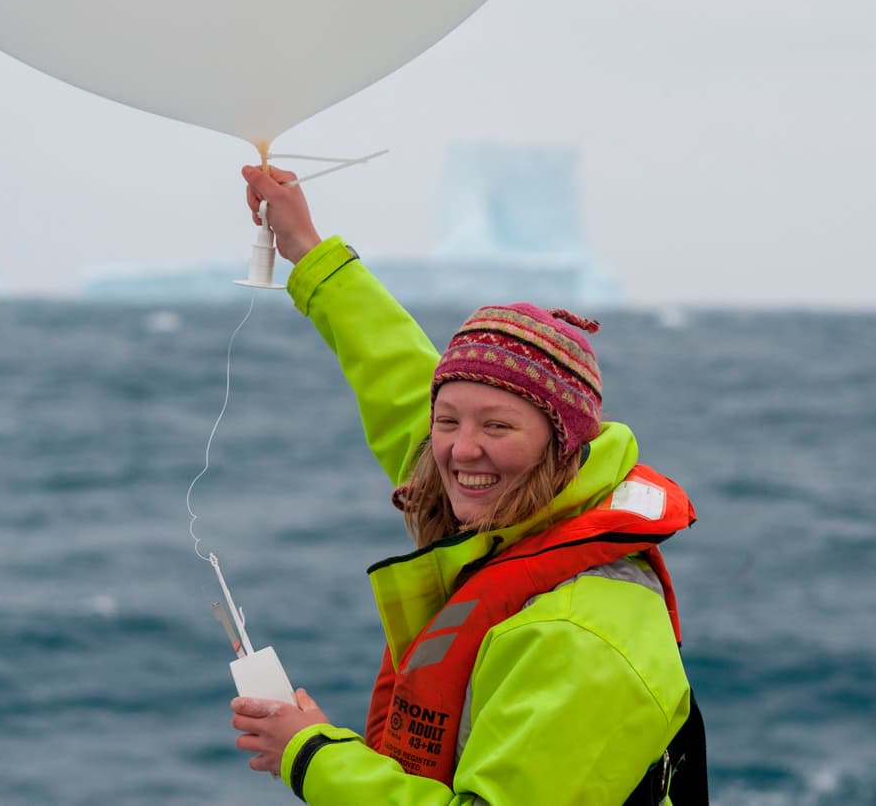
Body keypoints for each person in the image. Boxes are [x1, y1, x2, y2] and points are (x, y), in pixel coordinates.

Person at [230, 165, 706, 805]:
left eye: (497, 425)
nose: (461, 450)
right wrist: (307, 251)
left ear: (563, 444)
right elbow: (396, 375)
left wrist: (310, 755)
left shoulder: (580, 633)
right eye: (448, 421)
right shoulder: (507, 495)